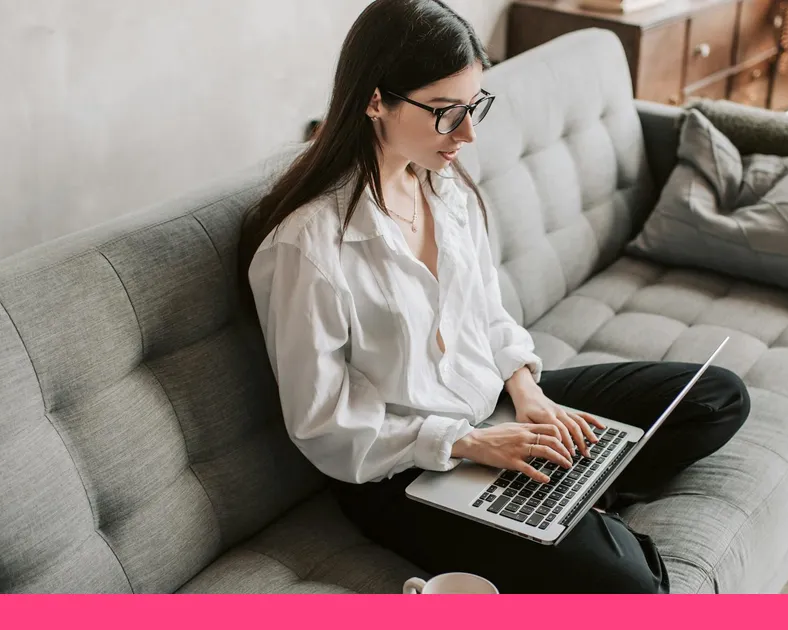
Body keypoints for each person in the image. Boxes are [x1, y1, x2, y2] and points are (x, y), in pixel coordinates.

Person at [238, 0, 750, 594]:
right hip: (404, 470)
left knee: (715, 398)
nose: (468, 132)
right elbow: (324, 424)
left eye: (474, 105)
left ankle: (567, 492)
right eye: (447, 112)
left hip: (495, 410)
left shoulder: (443, 184)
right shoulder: (308, 248)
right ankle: (568, 503)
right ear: (375, 100)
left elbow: (488, 315)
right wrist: (470, 443)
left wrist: (529, 395)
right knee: (632, 590)